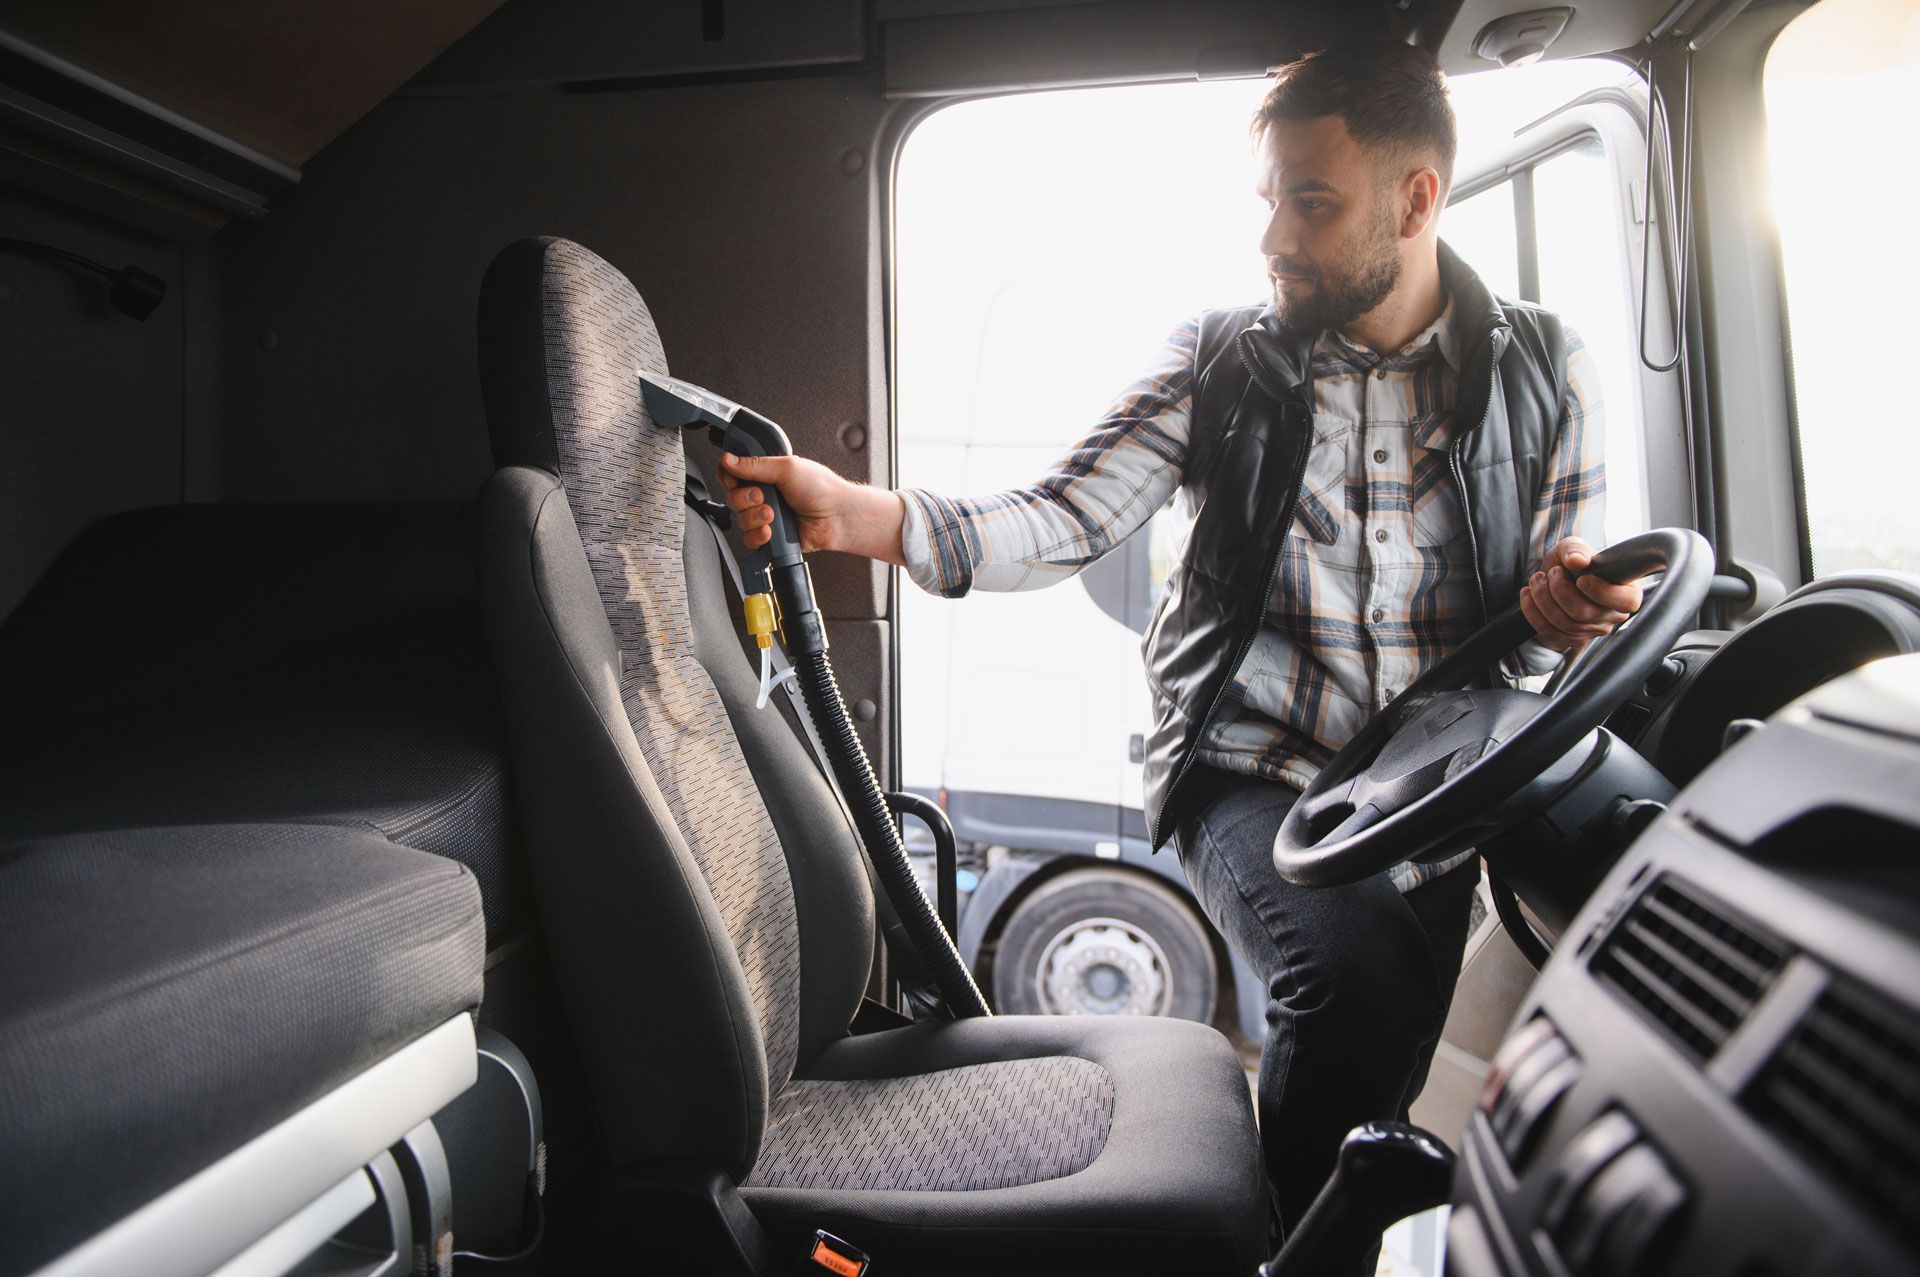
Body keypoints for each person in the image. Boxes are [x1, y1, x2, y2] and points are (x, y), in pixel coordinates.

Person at [718, 39, 1643, 1243]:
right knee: (1355, 986)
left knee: (1424, 1017)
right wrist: (862, 513)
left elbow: (1559, 609)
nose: (1275, 236)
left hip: (1446, 787)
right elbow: (1061, 516)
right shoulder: (1220, 361)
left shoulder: (1547, 367)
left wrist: (1571, 606)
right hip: (1252, 771)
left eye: (1313, 202)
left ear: (1416, 202)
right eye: (1271, 198)